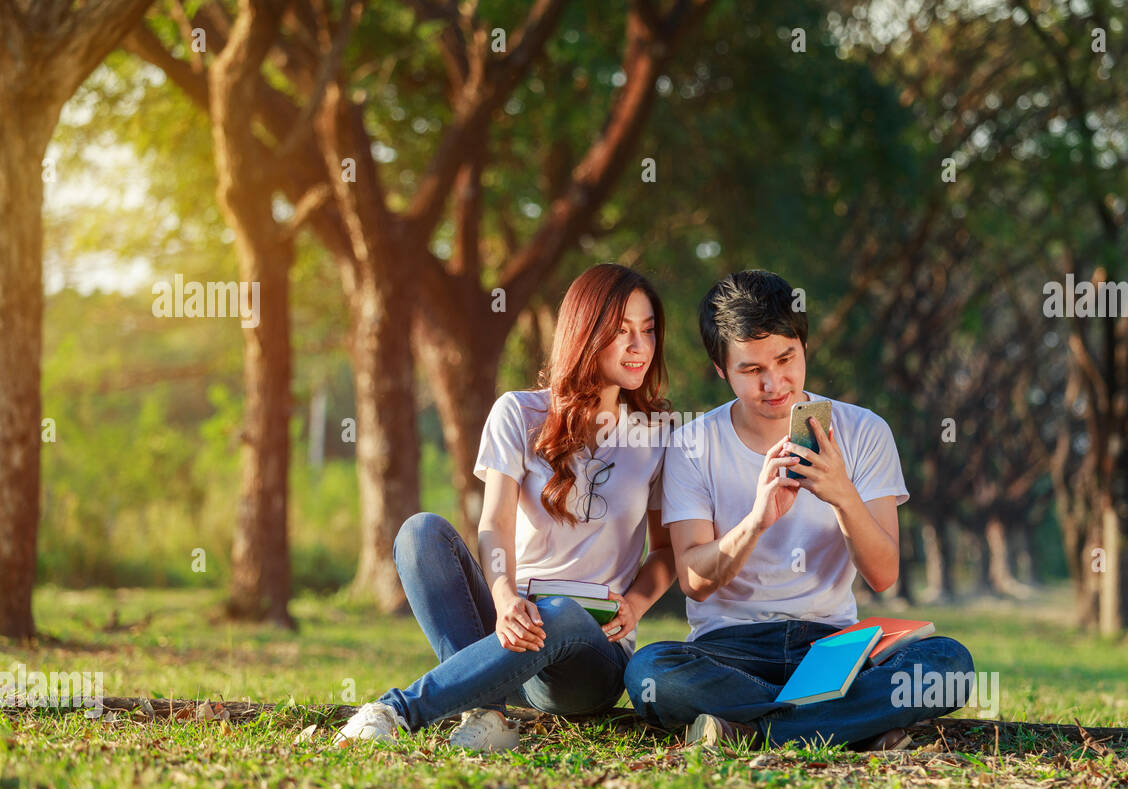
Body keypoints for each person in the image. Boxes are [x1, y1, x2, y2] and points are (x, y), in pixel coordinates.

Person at [624, 269, 975, 749]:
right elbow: (694, 583)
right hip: (729, 650)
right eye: (751, 370)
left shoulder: (864, 431)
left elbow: (883, 574)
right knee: (651, 671)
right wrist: (757, 520)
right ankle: (841, 724)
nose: (775, 383)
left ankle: (753, 730)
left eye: (786, 358)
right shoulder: (691, 444)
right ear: (720, 369)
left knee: (948, 663)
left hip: (832, 646)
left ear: (803, 346)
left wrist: (841, 494)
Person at [334, 263, 677, 752]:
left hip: (590, 659)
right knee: (420, 533)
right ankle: (487, 713)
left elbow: (666, 550)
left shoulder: (660, 434)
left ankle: (397, 710)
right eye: (621, 332)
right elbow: (494, 521)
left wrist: (636, 604)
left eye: (647, 331)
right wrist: (503, 597)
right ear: (584, 332)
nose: (640, 346)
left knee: (558, 614)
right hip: (511, 630)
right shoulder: (519, 412)